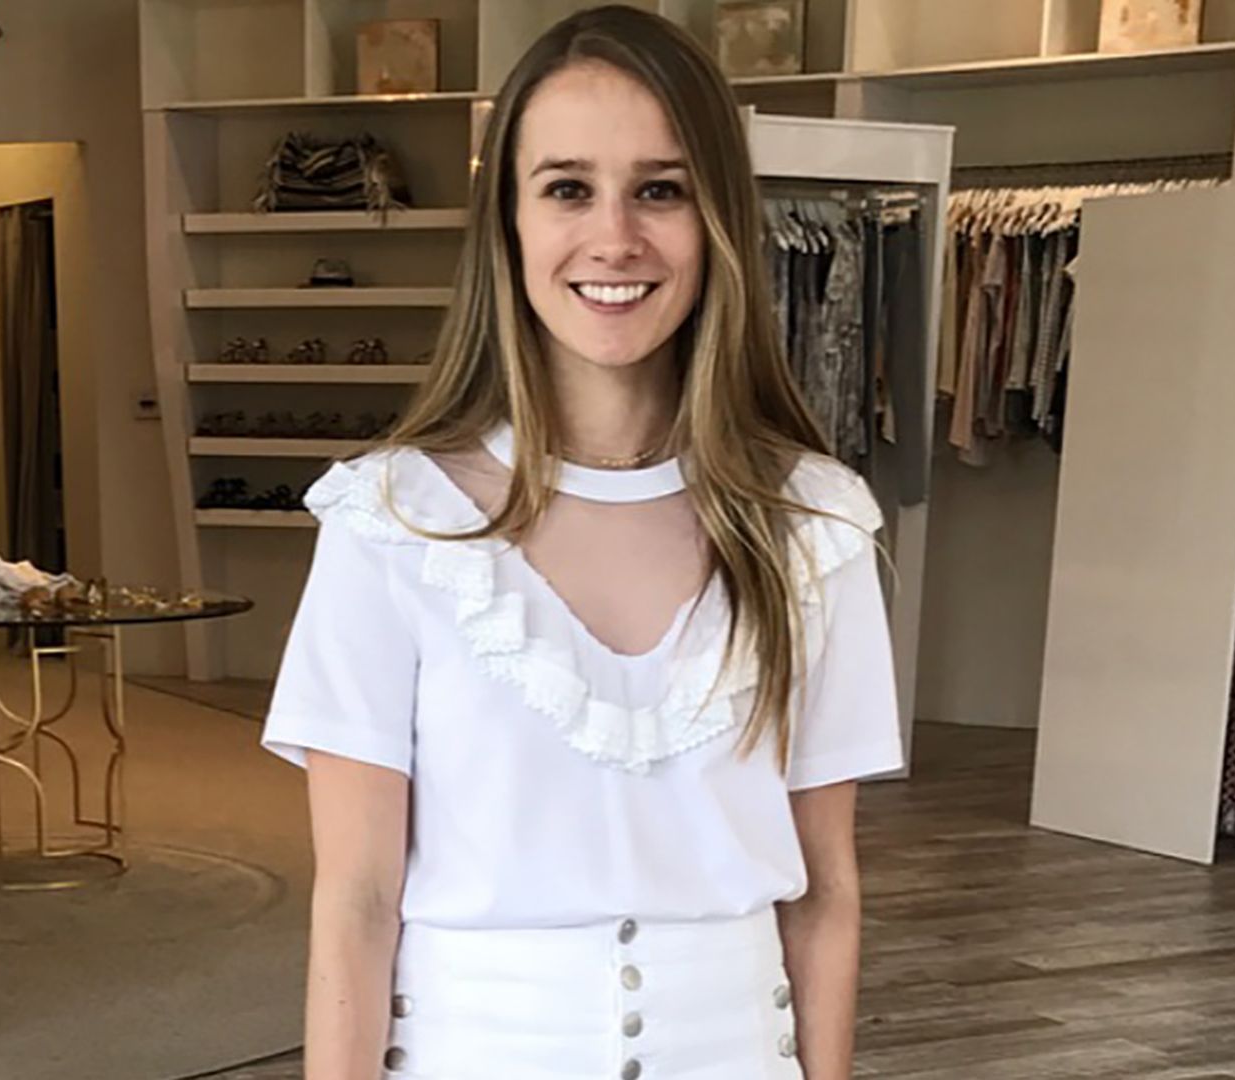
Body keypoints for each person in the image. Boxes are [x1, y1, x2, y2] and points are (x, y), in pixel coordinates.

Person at [260, 6, 902, 1078]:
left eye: (661, 189)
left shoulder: (814, 524)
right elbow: (359, 900)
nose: (615, 239)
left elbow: (825, 888)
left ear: (718, 219)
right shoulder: (391, 521)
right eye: (567, 188)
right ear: (508, 223)